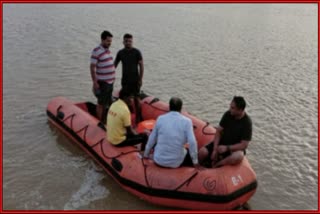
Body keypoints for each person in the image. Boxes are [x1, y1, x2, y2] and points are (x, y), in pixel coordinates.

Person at [143, 97, 201, 169]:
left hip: (158, 160)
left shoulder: (160, 119)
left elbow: (152, 139)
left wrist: (146, 155)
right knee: (187, 150)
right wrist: (195, 162)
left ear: (169, 107)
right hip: (175, 163)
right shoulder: (187, 122)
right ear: (181, 108)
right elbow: (192, 142)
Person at [198, 96, 252, 168]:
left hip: (233, 149)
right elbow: (218, 131)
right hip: (221, 143)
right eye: (230, 106)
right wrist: (215, 149)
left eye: (233, 108)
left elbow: (244, 145)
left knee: (238, 156)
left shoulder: (247, 123)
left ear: (240, 110)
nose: (230, 109)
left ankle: (217, 165)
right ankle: (198, 167)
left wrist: (227, 148)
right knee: (202, 152)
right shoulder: (228, 114)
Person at [114, 33, 144, 123]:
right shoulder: (120, 53)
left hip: (135, 80)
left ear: (132, 41)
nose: (128, 43)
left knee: (137, 99)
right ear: (123, 42)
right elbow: (114, 65)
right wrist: (109, 75)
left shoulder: (137, 52)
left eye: (130, 41)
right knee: (124, 99)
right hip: (125, 80)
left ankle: (138, 118)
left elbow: (141, 66)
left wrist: (140, 79)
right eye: (126, 41)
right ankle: (128, 116)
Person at [90, 30, 115, 124]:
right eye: (108, 41)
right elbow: (92, 67)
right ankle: (100, 122)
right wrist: (94, 82)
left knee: (107, 103)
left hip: (110, 82)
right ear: (102, 40)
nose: (110, 43)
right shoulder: (96, 51)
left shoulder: (107, 50)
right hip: (102, 82)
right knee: (101, 103)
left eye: (110, 41)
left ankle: (106, 120)